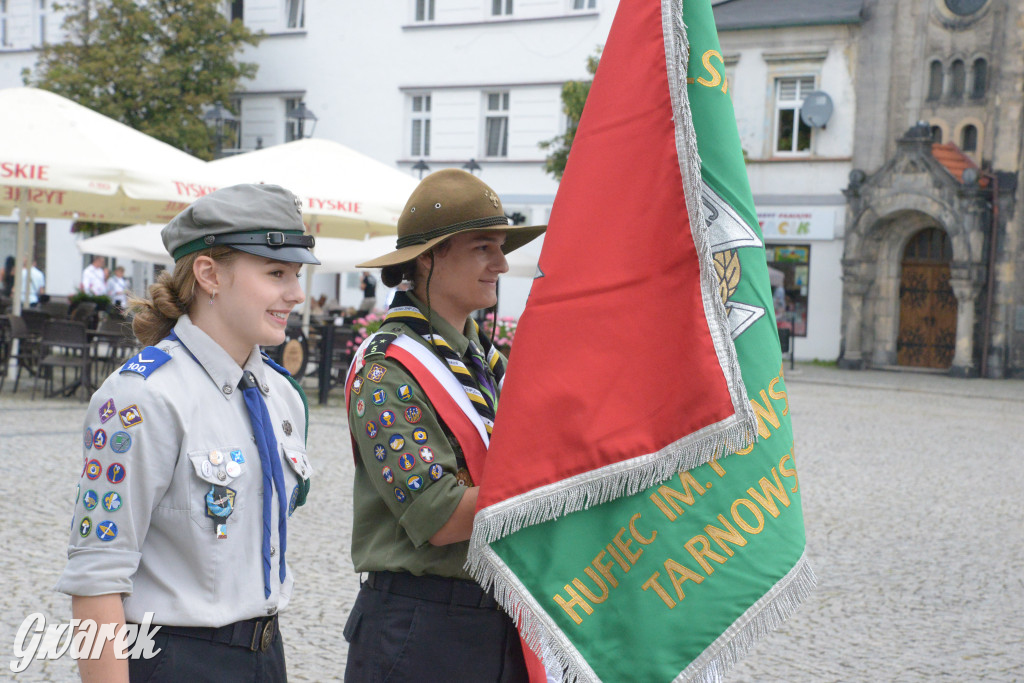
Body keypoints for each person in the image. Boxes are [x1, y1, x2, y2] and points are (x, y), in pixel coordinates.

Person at [56, 184, 320, 683]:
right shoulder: (142, 399)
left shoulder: (279, 396)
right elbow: (95, 580)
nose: (296, 293)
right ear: (209, 274)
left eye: (297, 274)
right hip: (176, 659)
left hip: (267, 655)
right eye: (276, 273)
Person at [342, 169, 545, 682]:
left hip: (499, 618)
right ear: (428, 258)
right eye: (483, 248)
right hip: (421, 626)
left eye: (500, 247)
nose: (501, 263)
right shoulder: (387, 368)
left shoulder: (484, 361)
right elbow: (441, 517)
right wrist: (558, 480)